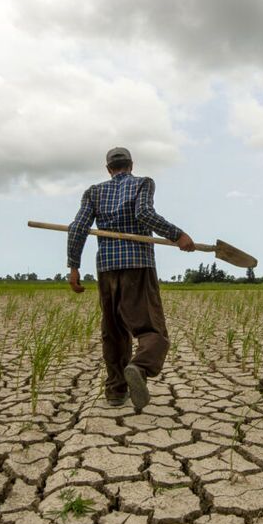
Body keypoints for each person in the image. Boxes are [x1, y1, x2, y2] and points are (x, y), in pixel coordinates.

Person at [67, 147, 195, 411]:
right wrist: (177, 234)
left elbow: (78, 227)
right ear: (131, 164)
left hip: (106, 269)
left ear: (108, 169)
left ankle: (115, 391)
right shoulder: (143, 183)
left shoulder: (94, 191)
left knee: (113, 331)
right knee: (151, 329)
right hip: (137, 266)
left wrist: (74, 267)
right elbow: (144, 214)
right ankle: (139, 366)